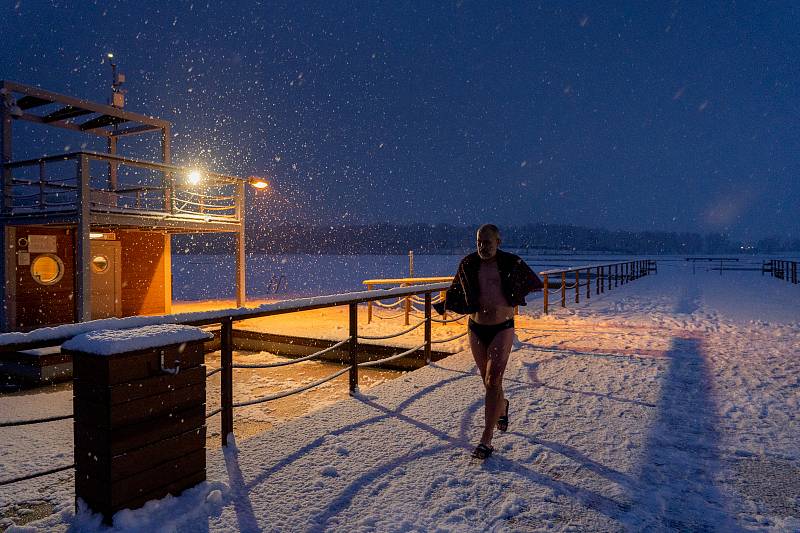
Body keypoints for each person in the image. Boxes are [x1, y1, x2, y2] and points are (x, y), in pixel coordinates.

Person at [435, 224, 543, 459]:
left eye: (488, 243)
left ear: (498, 242)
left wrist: (518, 295)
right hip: (476, 328)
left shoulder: (511, 263)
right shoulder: (468, 263)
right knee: (488, 382)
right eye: (479, 242)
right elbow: (458, 290)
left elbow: (532, 282)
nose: (483, 247)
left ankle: (486, 439)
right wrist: (445, 304)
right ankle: (502, 406)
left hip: (502, 328)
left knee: (493, 380)